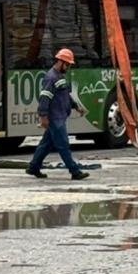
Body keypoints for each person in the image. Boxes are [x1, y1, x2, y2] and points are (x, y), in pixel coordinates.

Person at [25, 48, 89, 181]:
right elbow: (44, 98)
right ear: (61, 62)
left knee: (46, 144)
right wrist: (43, 117)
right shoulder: (51, 77)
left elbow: (65, 96)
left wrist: (76, 107)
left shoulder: (60, 77)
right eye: (68, 64)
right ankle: (75, 171)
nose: (69, 67)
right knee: (63, 145)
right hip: (55, 118)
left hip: (60, 116)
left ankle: (33, 167)